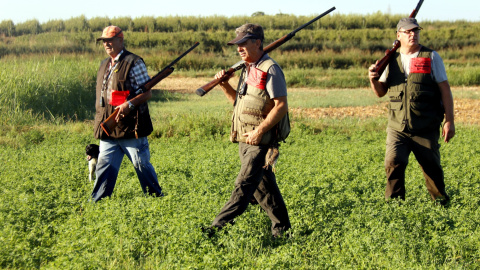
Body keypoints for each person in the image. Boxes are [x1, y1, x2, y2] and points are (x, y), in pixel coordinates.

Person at [205, 23, 291, 238]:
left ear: (258, 43)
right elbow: (239, 103)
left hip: (259, 141)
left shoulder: (270, 69)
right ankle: (283, 232)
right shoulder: (248, 69)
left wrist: (259, 131)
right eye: (237, 45)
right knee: (265, 190)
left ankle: (215, 230)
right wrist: (224, 85)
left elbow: (281, 105)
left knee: (242, 188)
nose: (239, 48)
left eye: (244, 43)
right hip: (246, 140)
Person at [368, 18, 455, 204]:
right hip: (397, 127)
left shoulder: (431, 57)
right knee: (393, 163)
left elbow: (445, 89)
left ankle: (441, 205)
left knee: (432, 169)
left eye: (415, 31)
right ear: (398, 36)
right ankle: (394, 207)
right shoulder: (390, 60)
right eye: (408, 32)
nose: (412, 34)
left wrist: (449, 120)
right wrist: (372, 79)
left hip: (425, 126)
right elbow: (381, 92)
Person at [91, 25, 163, 202]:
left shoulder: (134, 62)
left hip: (131, 126)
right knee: (103, 168)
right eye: (104, 41)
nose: (107, 44)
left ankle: (156, 200)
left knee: (141, 165)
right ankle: (98, 204)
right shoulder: (104, 65)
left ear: (120, 40)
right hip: (108, 127)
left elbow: (147, 92)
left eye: (110, 40)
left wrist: (129, 104)